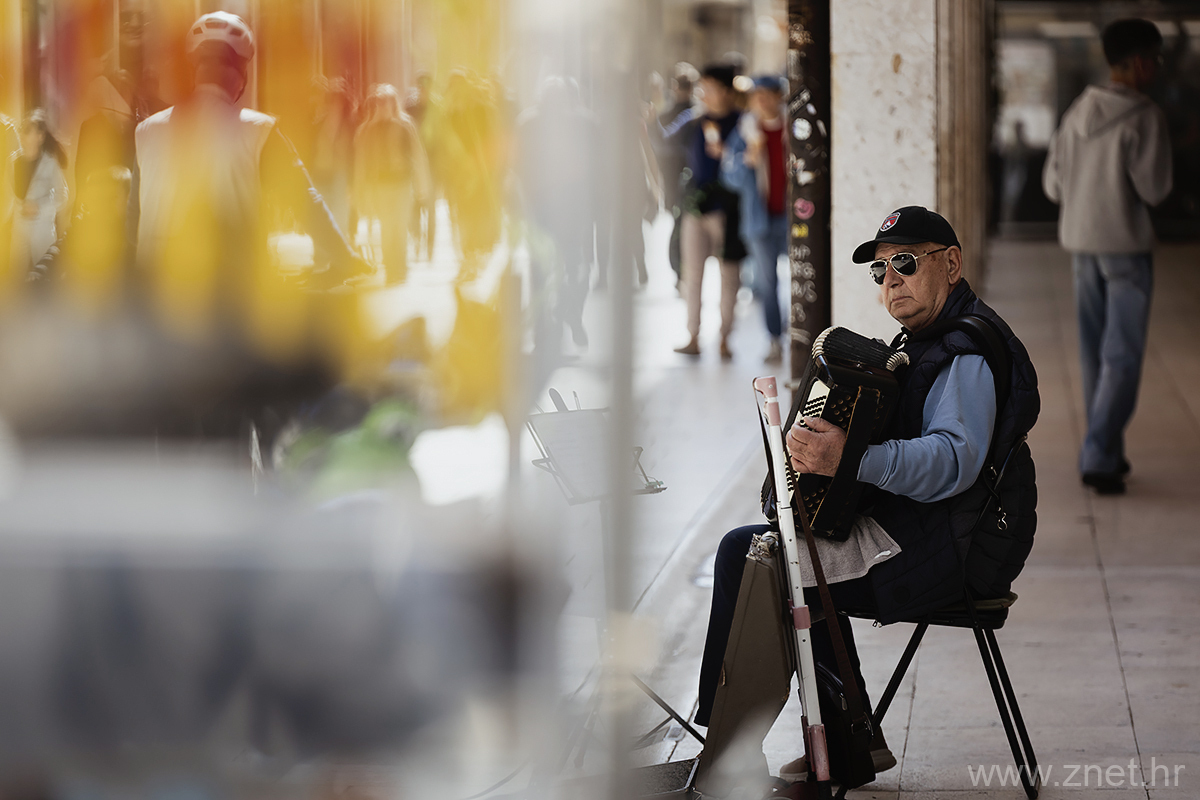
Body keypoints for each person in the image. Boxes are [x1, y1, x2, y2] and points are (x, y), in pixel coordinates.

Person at [694, 207, 1040, 781]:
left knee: (755, 557)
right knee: (787, 549)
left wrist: (848, 460)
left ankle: (736, 752)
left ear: (952, 264)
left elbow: (954, 461)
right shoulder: (926, 340)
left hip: (955, 546)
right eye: (880, 271)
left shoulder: (967, 350)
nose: (891, 280)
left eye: (905, 262)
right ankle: (841, 744)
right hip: (930, 529)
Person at [135, 12, 370, 294]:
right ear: (241, 72)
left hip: (154, 288)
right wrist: (345, 258)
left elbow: (132, 215)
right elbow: (305, 202)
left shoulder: (146, 130)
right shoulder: (259, 130)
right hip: (229, 287)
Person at [1042, 18, 1172, 495]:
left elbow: (1052, 184)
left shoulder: (1078, 110)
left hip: (1082, 244)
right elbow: (1155, 189)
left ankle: (1109, 451)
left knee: (1096, 353)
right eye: (1154, 60)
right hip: (1125, 248)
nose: (1157, 68)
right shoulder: (1145, 116)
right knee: (1123, 353)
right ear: (1138, 63)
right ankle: (1098, 453)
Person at [667, 64, 745, 359]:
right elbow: (665, 141)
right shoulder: (693, 121)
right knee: (692, 273)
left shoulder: (742, 123)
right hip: (695, 207)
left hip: (728, 210)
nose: (704, 94)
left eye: (710, 88)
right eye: (703, 88)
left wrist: (728, 154)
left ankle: (725, 337)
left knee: (729, 276)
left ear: (726, 91)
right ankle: (693, 335)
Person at [722, 75, 788, 364]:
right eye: (756, 95)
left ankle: (806, 334)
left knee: (804, 277)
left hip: (795, 218)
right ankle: (775, 339)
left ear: (779, 96)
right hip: (759, 221)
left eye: (767, 94)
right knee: (767, 283)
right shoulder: (745, 131)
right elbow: (729, 176)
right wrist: (747, 160)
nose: (761, 100)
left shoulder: (794, 126)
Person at [353, 83, 430, 284]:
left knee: (400, 226)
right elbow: (361, 162)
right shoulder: (367, 130)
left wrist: (422, 187)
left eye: (386, 103)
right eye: (379, 103)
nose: (383, 107)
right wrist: (359, 191)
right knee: (387, 228)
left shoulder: (405, 126)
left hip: (402, 184)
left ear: (393, 104)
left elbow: (418, 155)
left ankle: (400, 268)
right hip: (379, 186)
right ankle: (390, 269)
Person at [9, 110, 69, 281]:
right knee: (15, 278)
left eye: (29, 130)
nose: (23, 135)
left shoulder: (50, 163)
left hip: (42, 230)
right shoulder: (12, 161)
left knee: (44, 278)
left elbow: (63, 195)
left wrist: (39, 208)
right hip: (19, 228)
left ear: (40, 137)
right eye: (22, 130)